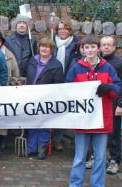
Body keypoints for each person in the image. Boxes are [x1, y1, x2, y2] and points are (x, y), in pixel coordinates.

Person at [65, 36, 121, 187]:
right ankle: (75, 184)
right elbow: (66, 88)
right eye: (87, 47)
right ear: (83, 49)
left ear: (98, 49)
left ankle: (98, 186)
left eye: (92, 47)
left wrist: (108, 87)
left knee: (100, 155)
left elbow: (118, 87)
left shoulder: (107, 67)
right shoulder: (77, 68)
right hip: (83, 119)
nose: (90, 50)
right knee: (80, 155)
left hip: (102, 119)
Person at [26, 37, 64, 160]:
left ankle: (42, 148)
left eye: (47, 46)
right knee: (32, 123)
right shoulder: (33, 61)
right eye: (42, 46)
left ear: (51, 49)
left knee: (43, 124)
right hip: (31, 97)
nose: (44, 48)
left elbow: (58, 84)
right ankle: (32, 148)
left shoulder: (56, 65)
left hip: (46, 99)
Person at [100, 36, 122, 175]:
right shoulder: (96, 62)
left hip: (114, 104)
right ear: (100, 47)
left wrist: (121, 105)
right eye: (104, 45)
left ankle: (114, 160)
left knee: (114, 134)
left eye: (109, 45)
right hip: (98, 104)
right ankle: (96, 157)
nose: (106, 47)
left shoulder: (121, 63)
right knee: (96, 132)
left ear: (114, 47)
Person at [0, 29, 19, 158]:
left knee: (1, 122)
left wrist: (13, 87)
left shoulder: (9, 55)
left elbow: (15, 73)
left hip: (4, 91)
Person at [52, 19, 80, 151]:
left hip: (68, 81)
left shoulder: (75, 45)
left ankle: (58, 139)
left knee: (62, 112)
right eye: (60, 29)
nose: (62, 31)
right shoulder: (52, 43)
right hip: (53, 81)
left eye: (65, 28)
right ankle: (47, 140)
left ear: (70, 31)